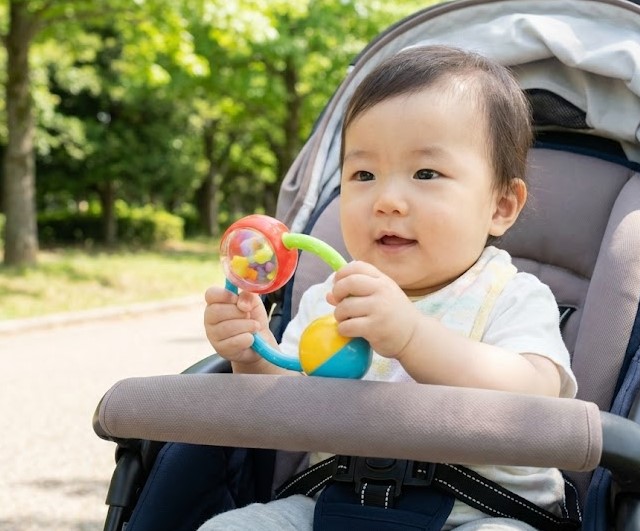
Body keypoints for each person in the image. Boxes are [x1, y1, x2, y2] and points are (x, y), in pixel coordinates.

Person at [200, 45, 577, 530]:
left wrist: (410, 337)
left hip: (483, 510)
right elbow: (289, 416)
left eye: (426, 173)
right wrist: (252, 355)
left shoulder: (512, 294)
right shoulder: (329, 299)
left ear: (502, 206)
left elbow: (536, 393)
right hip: (335, 504)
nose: (388, 200)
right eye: (363, 174)